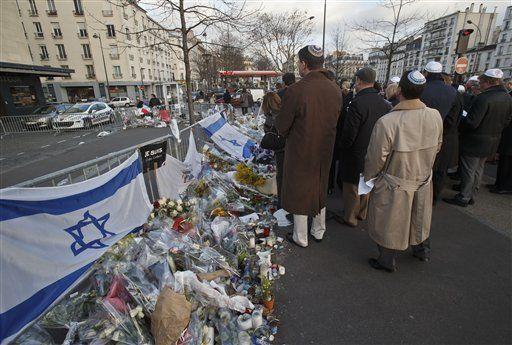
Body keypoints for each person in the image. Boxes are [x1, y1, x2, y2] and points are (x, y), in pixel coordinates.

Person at [364, 70, 443, 272]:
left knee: (389, 223)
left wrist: (370, 177)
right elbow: (438, 145)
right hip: (423, 177)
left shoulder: (388, 122)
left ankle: (386, 260)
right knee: (420, 217)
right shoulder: (434, 116)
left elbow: (375, 158)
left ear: (399, 90)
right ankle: (421, 250)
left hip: (395, 180)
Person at [275, 45, 342, 248]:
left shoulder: (296, 90)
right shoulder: (335, 89)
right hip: (324, 149)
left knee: (300, 189)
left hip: (301, 149)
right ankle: (319, 229)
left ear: (304, 64)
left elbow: (282, 125)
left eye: (298, 63)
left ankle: (300, 236)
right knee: (320, 185)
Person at [444, 69, 512, 206]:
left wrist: (461, 119)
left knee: (469, 169)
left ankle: (464, 196)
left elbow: (472, 122)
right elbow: (507, 119)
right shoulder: (507, 97)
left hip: (475, 140)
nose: (479, 85)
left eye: (481, 82)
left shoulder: (484, 98)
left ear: (488, 82)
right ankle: (471, 193)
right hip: (492, 139)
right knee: (478, 168)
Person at [339, 67, 391, 227]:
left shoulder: (357, 103)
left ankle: (350, 217)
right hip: (374, 150)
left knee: (351, 186)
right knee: (367, 183)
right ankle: (362, 212)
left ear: (360, 81)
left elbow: (350, 132)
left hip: (356, 151)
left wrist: (342, 147)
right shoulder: (383, 103)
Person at [420, 62, 458, 203]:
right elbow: (454, 118)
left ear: (426, 73)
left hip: (421, 136)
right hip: (443, 137)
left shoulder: (422, 89)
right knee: (439, 170)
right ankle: (433, 197)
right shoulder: (452, 92)